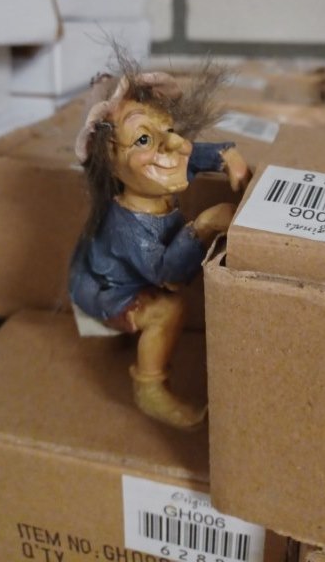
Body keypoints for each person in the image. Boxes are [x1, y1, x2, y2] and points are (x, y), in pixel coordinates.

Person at [70, 63, 248, 429]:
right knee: (168, 308)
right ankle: (149, 388)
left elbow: (188, 155)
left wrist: (224, 156)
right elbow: (168, 275)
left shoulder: (150, 182)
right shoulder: (129, 225)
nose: (176, 144)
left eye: (168, 129)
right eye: (143, 140)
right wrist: (203, 226)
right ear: (111, 163)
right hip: (109, 289)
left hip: (129, 273)